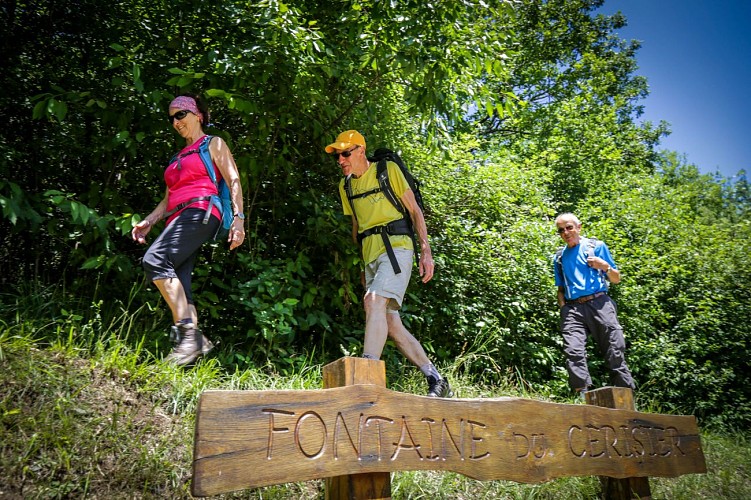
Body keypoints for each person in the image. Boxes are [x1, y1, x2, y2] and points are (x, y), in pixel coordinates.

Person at [325, 130, 452, 398]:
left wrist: (426, 252)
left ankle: (365, 374)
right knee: (391, 323)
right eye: (338, 155)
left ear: (361, 150)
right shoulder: (345, 186)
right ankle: (436, 378)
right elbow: (357, 227)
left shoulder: (387, 169)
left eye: (346, 153)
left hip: (398, 248)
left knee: (373, 301)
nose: (341, 160)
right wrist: (363, 265)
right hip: (371, 254)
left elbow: (415, 210)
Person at [131, 94, 245, 365]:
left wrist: (239, 219)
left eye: (180, 114)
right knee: (179, 281)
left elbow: (233, 179)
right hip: (177, 218)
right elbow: (168, 199)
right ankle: (194, 347)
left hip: (203, 211)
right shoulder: (176, 157)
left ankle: (189, 337)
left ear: (198, 115)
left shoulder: (213, 143)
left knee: (155, 260)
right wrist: (149, 221)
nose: (176, 122)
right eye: (172, 118)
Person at [553, 213, 636, 396]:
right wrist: (563, 307)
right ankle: (583, 398)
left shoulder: (596, 247)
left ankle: (625, 401)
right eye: (561, 230)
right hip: (572, 308)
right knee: (573, 351)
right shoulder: (559, 257)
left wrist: (604, 266)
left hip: (599, 303)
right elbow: (560, 288)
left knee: (614, 349)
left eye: (569, 227)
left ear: (579, 227)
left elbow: (616, 279)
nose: (566, 232)